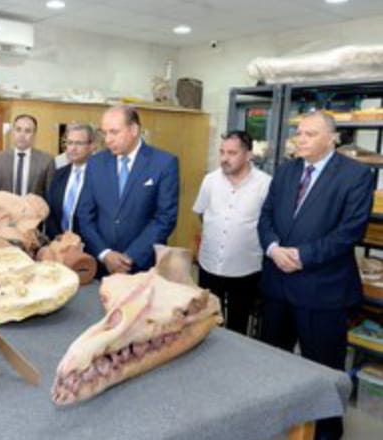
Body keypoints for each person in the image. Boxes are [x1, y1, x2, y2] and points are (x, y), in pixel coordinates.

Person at [258, 111, 374, 440]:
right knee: (273, 362)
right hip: (278, 285)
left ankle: (326, 431)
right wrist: (273, 248)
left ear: (332, 138)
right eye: (299, 133)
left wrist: (302, 256)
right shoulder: (286, 171)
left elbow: (349, 232)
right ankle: (278, 421)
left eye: (310, 134)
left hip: (322, 291)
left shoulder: (355, 175)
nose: (301, 139)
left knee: (323, 370)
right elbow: (265, 216)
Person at [77, 105, 179, 275]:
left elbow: (165, 218)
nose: (107, 140)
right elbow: (84, 214)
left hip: (143, 267)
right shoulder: (95, 163)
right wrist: (105, 254)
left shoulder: (163, 163)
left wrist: (130, 257)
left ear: (134, 130)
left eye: (114, 132)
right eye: (104, 133)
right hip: (102, 265)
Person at [193, 130, 271, 335]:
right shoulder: (210, 180)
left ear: (248, 155)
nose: (224, 158)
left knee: (238, 324)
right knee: (208, 322)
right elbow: (201, 213)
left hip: (245, 268)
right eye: (222, 152)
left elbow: (268, 223)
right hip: (210, 264)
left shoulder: (265, 184)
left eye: (232, 153)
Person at [45, 122, 97, 239]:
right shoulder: (59, 174)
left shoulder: (101, 176)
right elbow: (51, 212)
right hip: (60, 243)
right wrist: (58, 238)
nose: (73, 148)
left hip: (89, 245)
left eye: (79, 143)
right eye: (70, 143)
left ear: (92, 146)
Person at [0, 114, 55, 197]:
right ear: (13, 132)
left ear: (34, 134)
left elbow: (50, 194)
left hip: (32, 205)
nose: (22, 135)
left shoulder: (46, 161)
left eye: (27, 131)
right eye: (18, 129)